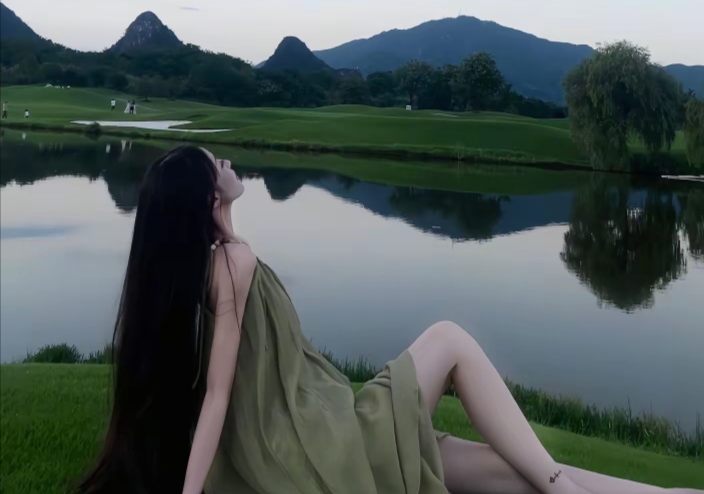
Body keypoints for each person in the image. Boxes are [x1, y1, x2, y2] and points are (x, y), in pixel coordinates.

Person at [75, 146, 701, 494]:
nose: (230, 164)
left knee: (475, 461)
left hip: (311, 430)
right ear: (211, 197)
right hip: (322, 441)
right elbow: (216, 396)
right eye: (219, 164)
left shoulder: (208, 268)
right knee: (449, 338)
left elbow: (214, 394)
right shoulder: (234, 262)